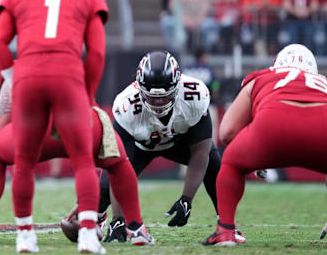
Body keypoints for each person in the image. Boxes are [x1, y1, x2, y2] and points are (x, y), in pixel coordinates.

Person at [0, 0, 108, 254]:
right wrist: (89, 93)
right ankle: (86, 234)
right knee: (83, 160)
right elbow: (96, 53)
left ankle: (25, 236)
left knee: (24, 162)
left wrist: (15, 77)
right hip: (68, 76)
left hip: (28, 76)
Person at [0, 76, 154, 246]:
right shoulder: (74, 58)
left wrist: (9, 147)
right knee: (118, 163)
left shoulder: (20, 64)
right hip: (81, 123)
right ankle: (136, 229)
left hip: (35, 127)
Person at [100, 51, 244, 243]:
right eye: (152, 97)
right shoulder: (126, 104)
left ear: (177, 86)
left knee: (213, 160)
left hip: (178, 143)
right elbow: (118, 166)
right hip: (140, 147)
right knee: (103, 188)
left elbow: (201, 151)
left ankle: (227, 225)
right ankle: (99, 218)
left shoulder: (195, 94)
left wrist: (187, 199)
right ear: (139, 88)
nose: (159, 103)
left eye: (164, 96)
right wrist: (118, 218)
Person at [203, 44, 327, 246]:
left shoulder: (262, 75)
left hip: (274, 124)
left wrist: (253, 152)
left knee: (232, 162)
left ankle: (225, 231)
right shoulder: (322, 82)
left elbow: (227, 132)